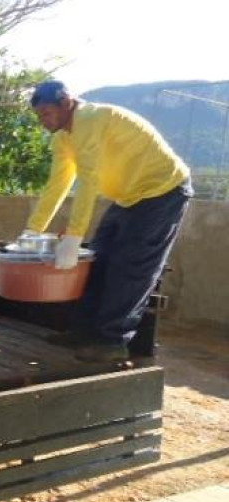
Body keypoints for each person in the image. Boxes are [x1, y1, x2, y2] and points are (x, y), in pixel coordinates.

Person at [23, 80, 193, 363]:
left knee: (131, 268)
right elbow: (58, 185)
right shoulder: (63, 137)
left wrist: (74, 235)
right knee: (95, 261)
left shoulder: (91, 118)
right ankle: (84, 330)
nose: (43, 121)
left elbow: (88, 179)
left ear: (66, 104)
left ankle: (112, 341)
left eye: (46, 114)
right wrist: (32, 231)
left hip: (163, 192)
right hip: (127, 198)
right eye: (39, 116)